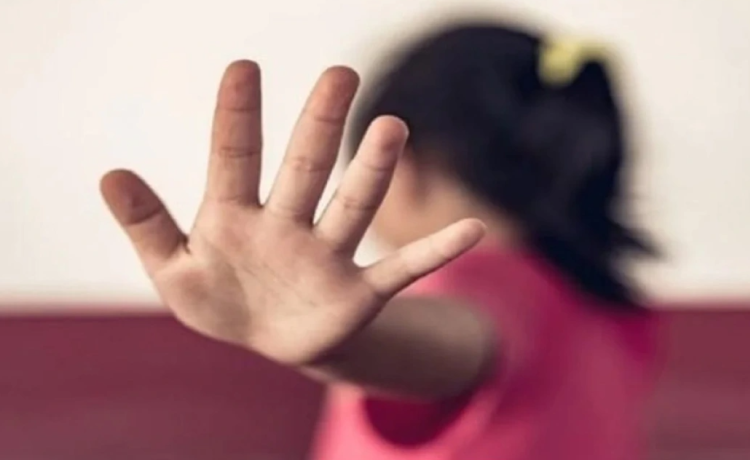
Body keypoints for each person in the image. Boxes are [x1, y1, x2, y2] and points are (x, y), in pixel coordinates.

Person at [100, 21, 659, 460]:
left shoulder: (479, 280)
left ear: (404, 166)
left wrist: (349, 344)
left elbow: (452, 337)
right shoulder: (607, 306)